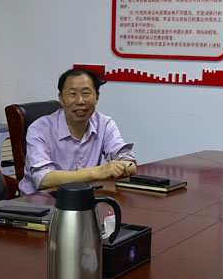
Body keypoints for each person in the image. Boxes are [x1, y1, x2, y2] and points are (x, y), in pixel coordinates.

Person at [19, 67, 136, 195]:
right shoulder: (39, 129)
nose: (80, 101)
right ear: (61, 98)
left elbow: (128, 161)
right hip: (40, 201)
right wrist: (97, 172)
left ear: (97, 96)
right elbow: (43, 179)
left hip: (84, 198)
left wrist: (125, 166)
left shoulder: (104, 124)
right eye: (72, 94)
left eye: (86, 93)